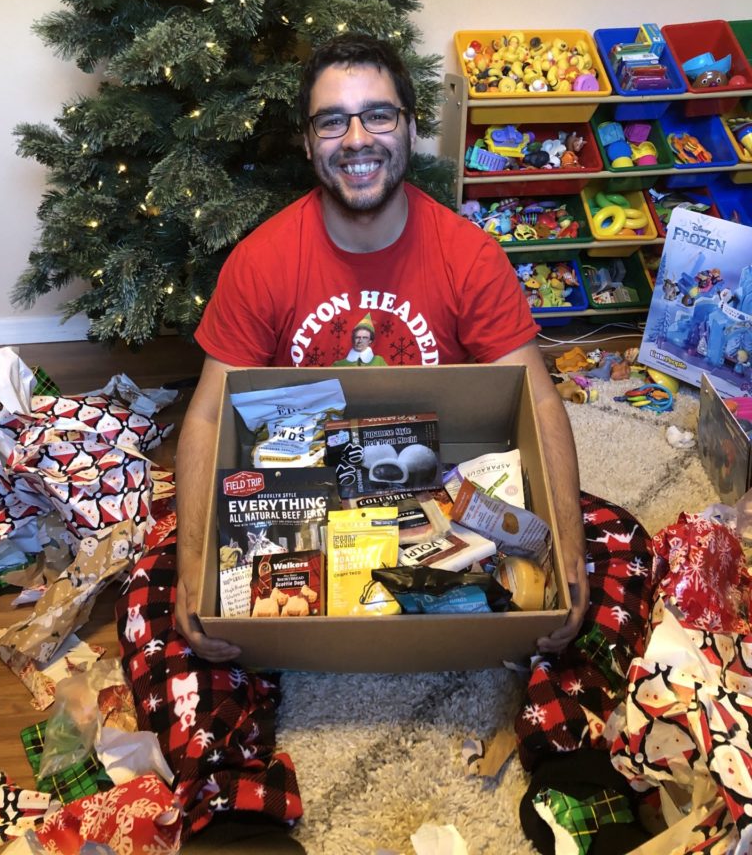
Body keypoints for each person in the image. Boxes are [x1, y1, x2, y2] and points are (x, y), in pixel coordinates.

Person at [175, 32, 589, 662]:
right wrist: (191, 567)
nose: (358, 139)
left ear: (410, 127)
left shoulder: (470, 256)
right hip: (302, 493)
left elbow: (537, 399)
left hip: (433, 494)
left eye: (379, 115)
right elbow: (207, 415)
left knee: (600, 575)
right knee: (174, 614)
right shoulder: (259, 262)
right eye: (333, 121)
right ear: (309, 141)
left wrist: (570, 554)